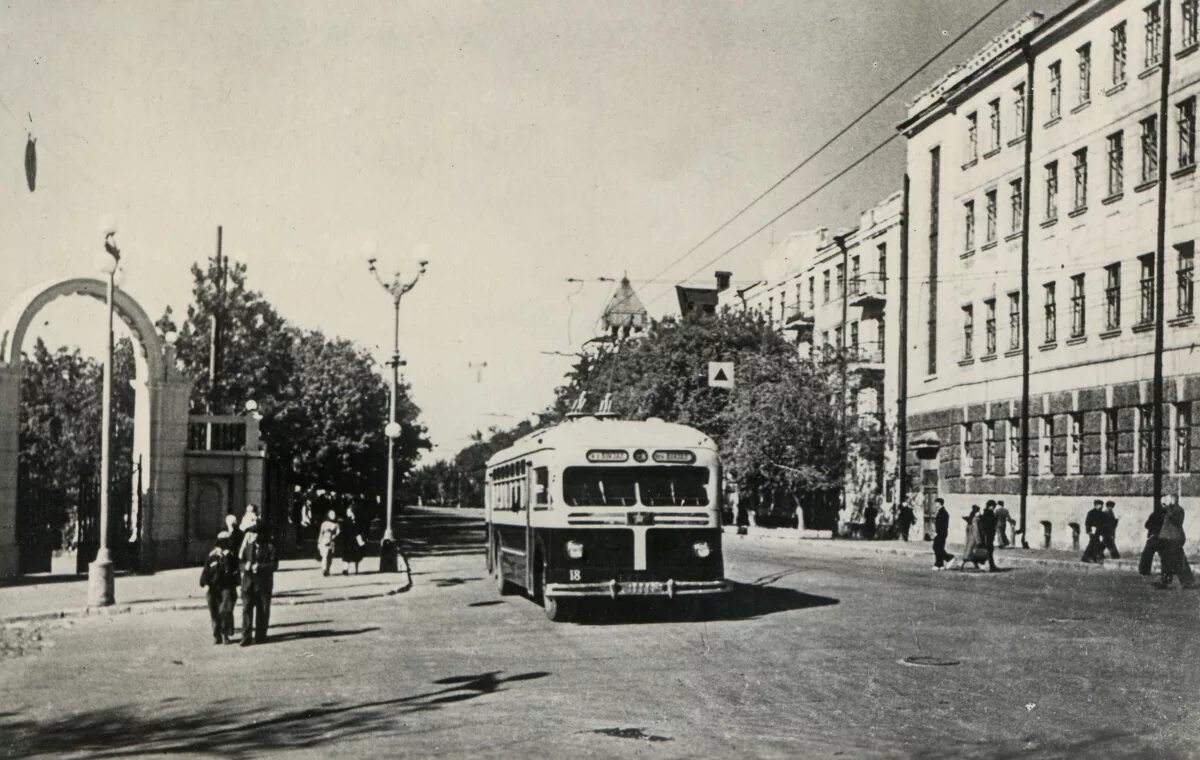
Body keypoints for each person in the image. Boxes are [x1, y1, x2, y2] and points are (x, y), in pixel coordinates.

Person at [239, 522, 278, 645]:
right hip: (248, 583)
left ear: (261, 534)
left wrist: (260, 567)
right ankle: (246, 637)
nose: (252, 535)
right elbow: (240, 562)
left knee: (263, 610)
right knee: (246, 610)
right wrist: (245, 566)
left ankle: (260, 636)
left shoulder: (270, 547)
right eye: (251, 533)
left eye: (255, 533)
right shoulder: (248, 547)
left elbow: (274, 565)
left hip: (263, 584)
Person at [199, 531, 238, 645]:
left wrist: (226, 556)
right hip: (213, 588)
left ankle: (225, 634)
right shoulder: (211, 556)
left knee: (225, 610)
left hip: (227, 587)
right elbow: (205, 573)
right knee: (214, 612)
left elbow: (232, 571)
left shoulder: (231, 556)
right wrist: (205, 584)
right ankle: (217, 635)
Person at [1157, 499, 1196, 589]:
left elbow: (1176, 521)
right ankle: (1166, 580)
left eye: (1169, 499)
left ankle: (1186, 581)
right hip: (1166, 538)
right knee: (1166, 560)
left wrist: (1168, 509)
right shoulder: (1167, 509)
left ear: (1174, 500)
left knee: (1178, 560)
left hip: (1175, 538)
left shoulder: (1179, 510)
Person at [1139, 502, 1166, 576]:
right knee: (1147, 554)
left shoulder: (1167, 515)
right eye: (1162, 505)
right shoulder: (1154, 514)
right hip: (1155, 537)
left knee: (1164, 555)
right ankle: (1144, 571)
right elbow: (1147, 524)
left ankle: (1164, 572)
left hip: (1161, 537)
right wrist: (1155, 531)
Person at [341, 505, 366, 575]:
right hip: (348, 540)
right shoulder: (346, 521)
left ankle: (356, 570)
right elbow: (344, 531)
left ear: (352, 512)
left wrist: (361, 538)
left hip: (356, 540)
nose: (347, 513)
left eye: (349, 511)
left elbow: (361, 530)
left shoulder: (358, 521)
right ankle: (345, 569)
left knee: (357, 555)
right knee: (346, 555)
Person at [932, 498, 954, 570]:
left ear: (939, 503)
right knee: (938, 548)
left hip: (941, 533)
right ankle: (940, 564)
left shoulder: (943, 513)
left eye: (936, 503)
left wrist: (937, 533)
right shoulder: (941, 512)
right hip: (940, 533)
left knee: (937, 548)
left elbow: (942, 525)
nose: (935, 504)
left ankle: (948, 558)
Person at [977, 501, 1000, 572]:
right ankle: (990, 566)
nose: (994, 508)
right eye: (993, 506)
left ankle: (990, 565)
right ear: (990, 506)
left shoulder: (986, 513)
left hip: (988, 534)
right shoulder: (989, 513)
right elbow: (989, 524)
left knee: (989, 550)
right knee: (989, 550)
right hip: (988, 534)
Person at [959, 505, 983, 571]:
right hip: (974, 538)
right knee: (970, 552)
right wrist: (978, 540)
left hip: (969, 538)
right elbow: (976, 530)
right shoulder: (975, 519)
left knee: (970, 551)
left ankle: (975, 565)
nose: (980, 512)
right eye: (979, 511)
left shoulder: (971, 518)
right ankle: (962, 565)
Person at [317, 509, 340, 576]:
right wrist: (319, 542)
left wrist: (334, 536)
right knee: (325, 555)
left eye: (334, 514)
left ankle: (328, 569)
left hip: (332, 542)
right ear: (328, 515)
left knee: (330, 557)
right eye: (331, 514)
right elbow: (321, 533)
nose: (333, 516)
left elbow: (338, 533)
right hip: (324, 541)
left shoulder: (336, 524)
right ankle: (324, 569)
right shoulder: (324, 523)